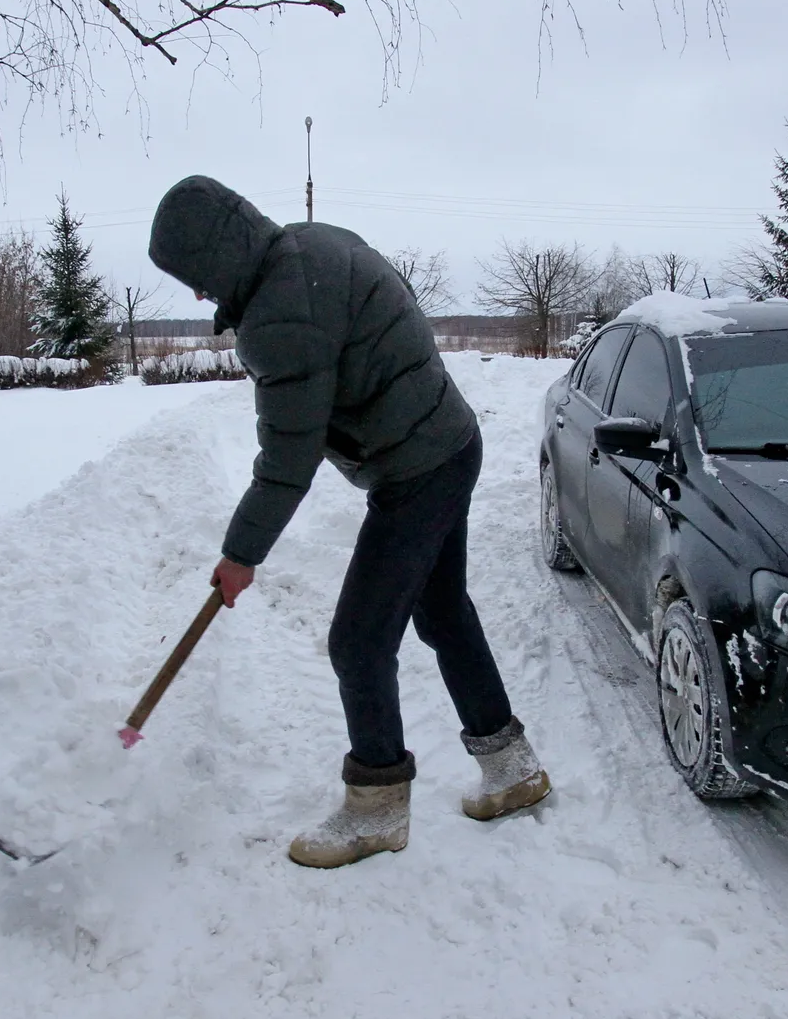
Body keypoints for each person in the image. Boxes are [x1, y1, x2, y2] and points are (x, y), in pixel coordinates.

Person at [147, 176, 551, 869]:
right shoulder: (309, 244)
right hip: (449, 440)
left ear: (214, 258)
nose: (197, 296)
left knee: (358, 643)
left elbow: (287, 458)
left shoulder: (279, 319)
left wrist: (241, 553)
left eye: (194, 278)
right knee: (443, 610)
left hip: (417, 466)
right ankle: (511, 768)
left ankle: (377, 806)